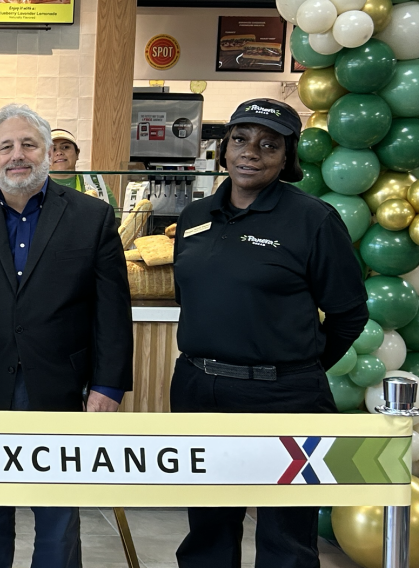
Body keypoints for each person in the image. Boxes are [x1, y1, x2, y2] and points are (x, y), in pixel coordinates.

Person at [0, 103, 133, 568]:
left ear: (48, 152)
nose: (18, 155)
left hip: (63, 387)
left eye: (28, 144)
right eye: (6, 146)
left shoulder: (91, 216)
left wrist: (109, 385)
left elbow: (112, 312)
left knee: (58, 519)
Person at [171, 98, 368, 568]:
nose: (250, 152)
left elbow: (348, 314)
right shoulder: (196, 216)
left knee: (286, 537)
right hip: (201, 390)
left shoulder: (313, 219)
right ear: (224, 148)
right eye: (240, 139)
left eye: (268, 145)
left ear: (287, 157)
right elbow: (191, 296)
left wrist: (299, 369)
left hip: (285, 397)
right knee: (208, 529)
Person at [48, 129, 118, 209]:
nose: (59, 153)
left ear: (77, 154)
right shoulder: (38, 187)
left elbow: (114, 219)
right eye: (53, 149)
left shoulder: (96, 185)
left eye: (65, 147)